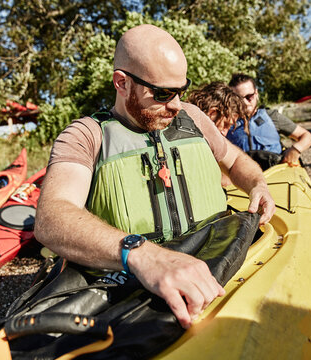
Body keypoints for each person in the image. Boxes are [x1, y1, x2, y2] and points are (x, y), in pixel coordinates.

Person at [34, 25, 275, 331]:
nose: (176, 104)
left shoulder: (192, 118)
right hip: (135, 287)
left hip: (221, 262)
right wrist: (141, 254)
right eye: (162, 93)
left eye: (181, 90)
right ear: (122, 83)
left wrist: (258, 184)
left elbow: (237, 159)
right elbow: (51, 217)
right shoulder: (85, 136)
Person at [227, 73, 311, 166]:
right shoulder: (226, 123)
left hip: (274, 172)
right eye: (238, 98)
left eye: (249, 97)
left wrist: (296, 149)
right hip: (242, 175)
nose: (245, 102)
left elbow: (307, 136)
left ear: (256, 93)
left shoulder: (272, 116)